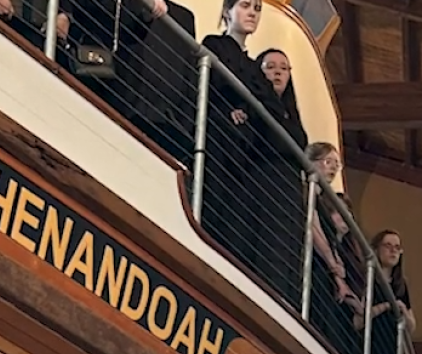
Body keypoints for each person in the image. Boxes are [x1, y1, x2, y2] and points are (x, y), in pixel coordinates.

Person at [198, 0, 284, 274]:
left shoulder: (253, 66)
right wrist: (234, 106)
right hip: (218, 139)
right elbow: (213, 83)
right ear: (227, 12)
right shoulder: (215, 44)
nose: (252, 13)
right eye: (246, 6)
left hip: (244, 154)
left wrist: (246, 108)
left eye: (257, 9)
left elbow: (273, 106)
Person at [252, 47, 309, 305]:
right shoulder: (255, 103)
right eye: (271, 66)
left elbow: (298, 147)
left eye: (284, 68)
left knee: (289, 251)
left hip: (289, 190)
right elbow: (274, 142)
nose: (277, 72)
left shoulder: (292, 114)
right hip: (265, 182)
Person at [302, 142, 361, 354]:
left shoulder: (321, 197)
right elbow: (313, 229)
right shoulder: (309, 189)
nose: (334, 168)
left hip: (325, 270)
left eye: (337, 164)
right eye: (329, 162)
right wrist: (332, 262)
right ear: (313, 161)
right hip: (316, 267)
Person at [125, 0, 198, 165]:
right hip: (132, 109)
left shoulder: (185, 17)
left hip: (170, 120)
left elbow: (189, 72)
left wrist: (185, 125)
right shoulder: (131, 4)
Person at [353, 230, 411, 354]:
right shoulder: (366, 278)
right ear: (377, 249)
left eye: (397, 247)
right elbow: (357, 321)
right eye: (388, 246)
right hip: (368, 346)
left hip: (390, 350)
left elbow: (412, 326)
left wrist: (403, 313)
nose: (393, 251)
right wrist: (386, 306)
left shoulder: (401, 286)